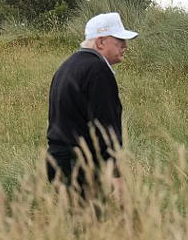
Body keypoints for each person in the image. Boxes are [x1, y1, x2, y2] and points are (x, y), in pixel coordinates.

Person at [46, 12, 138, 198]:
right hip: (80, 165)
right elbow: (105, 127)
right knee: (93, 225)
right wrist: (116, 176)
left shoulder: (67, 66)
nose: (125, 46)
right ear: (101, 42)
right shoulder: (99, 71)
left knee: (79, 224)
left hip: (57, 161)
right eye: (119, 40)